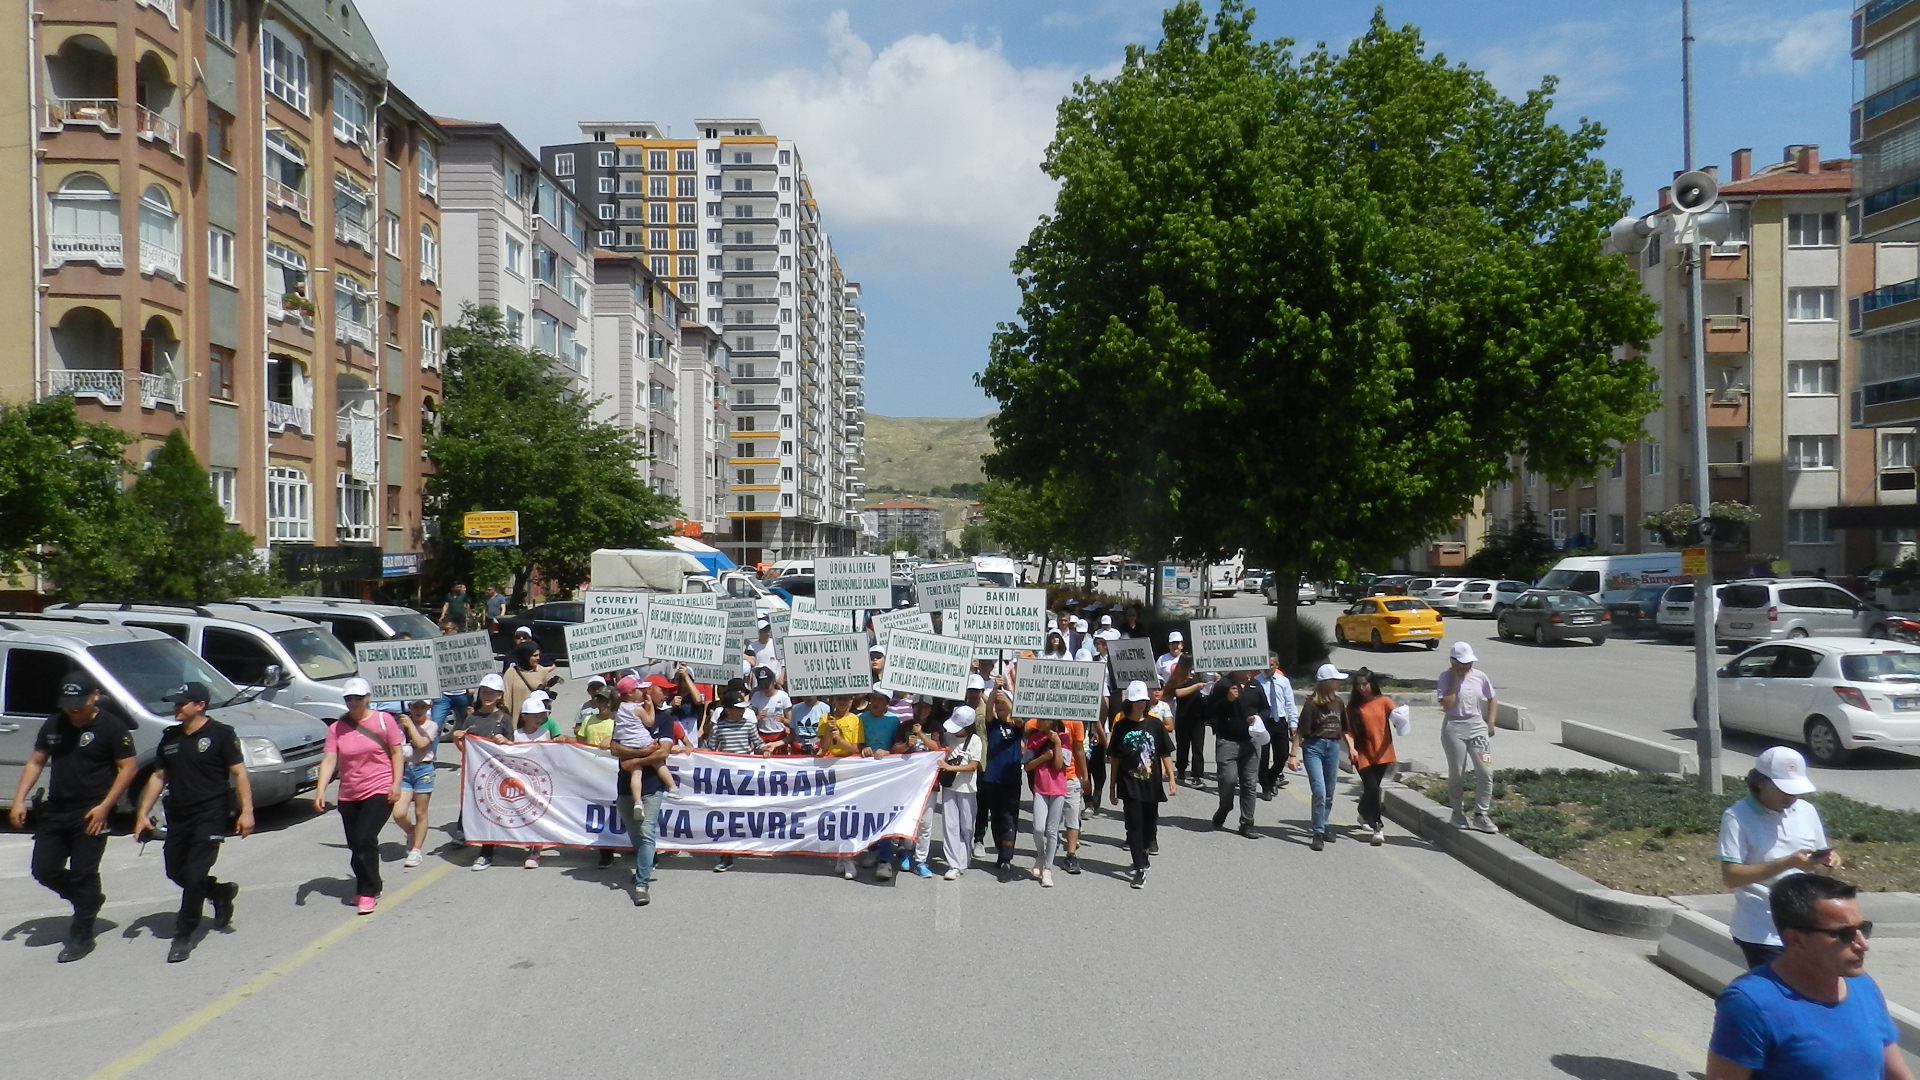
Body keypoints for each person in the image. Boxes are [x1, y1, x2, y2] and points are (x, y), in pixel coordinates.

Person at [1706, 874, 1912, 1080]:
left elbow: (1895, 1072)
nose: (1863, 944)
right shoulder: (1749, 1004)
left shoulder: (1863, 986)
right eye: (1845, 934)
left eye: (1863, 929)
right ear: (1795, 940)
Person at [9, 671, 137, 963]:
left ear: (94, 696)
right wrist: (19, 800)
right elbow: (37, 761)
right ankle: (88, 901)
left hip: (93, 811)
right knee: (44, 870)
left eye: (78, 705)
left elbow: (127, 769)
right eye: (68, 705)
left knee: (83, 872)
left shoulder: (112, 727)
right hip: (56, 809)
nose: (73, 712)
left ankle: (82, 933)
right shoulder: (54, 723)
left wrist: (106, 806)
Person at [133, 682, 254, 963]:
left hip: (210, 814)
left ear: (200, 705)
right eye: (175, 703)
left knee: (196, 874)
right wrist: (141, 813)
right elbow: (158, 777)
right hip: (179, 814)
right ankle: (220, 892)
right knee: (176, 871)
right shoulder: (171, 738)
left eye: (182, 703)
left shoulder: (221, 734)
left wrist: (246, 811)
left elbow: (239, 773)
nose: (176, 708)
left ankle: (184, 933)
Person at [1718, 746, 1840, 969]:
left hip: (1805, 926)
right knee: (1782, 995)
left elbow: (1820, 861)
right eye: (1784, 789)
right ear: (1761, 782)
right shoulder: (1737, 816)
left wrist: (1827, 862)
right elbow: (1731, 876)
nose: (1792, 796)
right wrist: (1787, 862)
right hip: (1761, 930)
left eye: (1796, 790)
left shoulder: (1806, 810)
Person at [312, 678, 404, 914]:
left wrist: (395, 783)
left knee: (364, 837)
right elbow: (330, 759)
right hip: (349, 793)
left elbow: (396, 752)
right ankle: (369, 882)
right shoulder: (336, 729)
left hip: (379, 788)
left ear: (368, 698)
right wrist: (320, 789)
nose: (353, 703)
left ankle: (368, 890)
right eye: (349, 699)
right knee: (356, 845)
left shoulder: (384, 721)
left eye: (358, 698)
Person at [1108, 681, 1177, 889]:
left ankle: (1145, 850)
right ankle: (1139, 868)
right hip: (1129, 784)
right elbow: (1115, 758)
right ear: (1129, 701)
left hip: (1151, 783)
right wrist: (1112, 786)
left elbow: (1164, 752)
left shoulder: (1155, 724)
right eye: (1136, 701)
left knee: (1149, 823)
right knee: (1134, 824)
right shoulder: (1120, 726)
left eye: (1143, 701)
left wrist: (1172, 778)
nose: (1140, 704)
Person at [1437, 641, 1498, 834]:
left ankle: (1481, 814)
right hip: (1454, 727)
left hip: (1477, 726)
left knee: (1486, 771)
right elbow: (1447, 705)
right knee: (1457, 772)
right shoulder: (1446, 677)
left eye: (1468, 663)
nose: (1466, 667)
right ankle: (1457, 812)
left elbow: (1492, 697)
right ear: (1452, 662)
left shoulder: (1480, 676)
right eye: (1461, 664)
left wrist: (1491, 721)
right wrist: (1455, 680)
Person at [451, 673, 512, 868]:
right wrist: (456, 738)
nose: (487, 696)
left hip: (495, 774)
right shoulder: (472, 719)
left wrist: (506, 742)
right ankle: (467, 834)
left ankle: (487, 851)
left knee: (490, 811)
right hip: (475, 772)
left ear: (500, 696)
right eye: (484, 692)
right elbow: (465, 749)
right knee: (474, 807)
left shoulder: (504, 719)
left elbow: (514, 750)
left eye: (492, 693)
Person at [1289, 663, 1351, 851]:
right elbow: (1300, 732)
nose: (1338, 684)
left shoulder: (1338, 703)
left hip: (1332, 747)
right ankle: (1317, 832)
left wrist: (1352, 749)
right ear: (1326, 683)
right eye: (1335, 681)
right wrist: (1293, 755)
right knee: (1320, 791)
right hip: (1314, 748)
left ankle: (1323, 825)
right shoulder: (1311, 704)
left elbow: (1345, 730)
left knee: (1330, 793)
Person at [977, 685, 1025, 880]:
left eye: (1003, 703)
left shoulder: (1017, 727)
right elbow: (988, 710)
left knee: (1009, 818)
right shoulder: (993, 725)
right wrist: (995, 690)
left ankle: (1007, 858)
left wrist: (1004, 696)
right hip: (992, 778)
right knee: (996, 818)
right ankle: (1000, 850)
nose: (1000, 706)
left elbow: (1019, 717)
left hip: (1011, 779)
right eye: (998, 704)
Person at [1345, 668, 1398, 846]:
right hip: (1362, 753)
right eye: (1358, 685)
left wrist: (1402, 720)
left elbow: (1398, 717)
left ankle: (1362, 811)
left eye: (1365, 684)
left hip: (1382, 752)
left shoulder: (1384, 701)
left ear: (1372, 684)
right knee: (1373, 788)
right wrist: (1351, 749)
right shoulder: (1352, 707)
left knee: (1371, 789)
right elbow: (1348, 731)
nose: (1361, 688)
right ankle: (1378, 827)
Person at [1209, 670, 1263, 838]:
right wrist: (1228, 700)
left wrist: (1258, 719)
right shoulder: (1223, 685)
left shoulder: (1255, 685)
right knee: (1228, 779)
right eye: (1246, 670)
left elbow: (1266, 709)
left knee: (1249, 782)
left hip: (1251, 741)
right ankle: (1225, 807)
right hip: (1228, 741)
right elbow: (1210, 711)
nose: (1249, 673)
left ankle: (1247, 822)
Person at [391, 699, 440, 868]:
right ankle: (412, 832)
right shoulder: (400, 725)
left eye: (423, 706)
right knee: (398, 813)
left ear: (428, 707)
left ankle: (416, 850)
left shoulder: (431, 725)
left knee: (421, 812)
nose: (419, 710)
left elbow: (421, 744)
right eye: (415, 706)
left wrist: (410, 726)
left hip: (423, 770)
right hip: (405, 770)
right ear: (410, 707)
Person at [938, 705, 982, 880]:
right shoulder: (947, 736)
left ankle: (965, 855)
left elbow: (973, 766)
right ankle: (953, 864)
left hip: (967, 789)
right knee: (950, 825)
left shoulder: (975, 740)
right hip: (949, 787)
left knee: (967, 826)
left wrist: (950, 767)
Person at [1253, 655, 1298, 797]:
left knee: (1282, 755)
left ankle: (1271, 778)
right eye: (1266, 664)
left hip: (1279, 721)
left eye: (1271, 664)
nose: (1268, 667)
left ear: (1277, 665)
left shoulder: (1283, 682)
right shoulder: (1256, 682)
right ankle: (1265, 786)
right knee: (1263, 757)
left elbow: (1290, 703)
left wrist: (1293, 723)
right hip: (1264, 722)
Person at [502, 641, 558, 719]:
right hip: (518, 720)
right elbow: (506, 700)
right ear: (525, 656)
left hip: (538, 720)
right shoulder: (511, 673)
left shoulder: (541, 671)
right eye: (535, 656)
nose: (538, 658)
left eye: (538, 655)